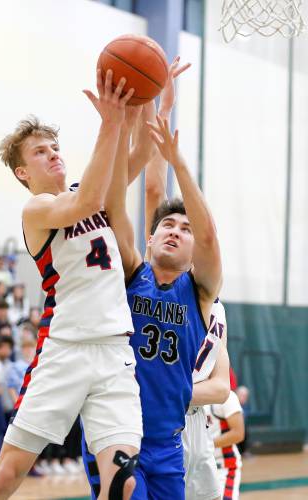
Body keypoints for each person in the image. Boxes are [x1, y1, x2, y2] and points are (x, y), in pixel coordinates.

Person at [0, 69, 142, 500]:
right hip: (65, 347)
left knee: (121, 484)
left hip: (114, 351)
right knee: (6, 478)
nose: (53, 155)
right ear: (21, 173)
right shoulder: (38, 208)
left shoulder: (91, 191)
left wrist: (142, 101)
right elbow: (85, 202)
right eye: (39, 152)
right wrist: (111, 122)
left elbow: (129, 163)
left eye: (55, 147)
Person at [83, 58, 222, 499]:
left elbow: (208, 233)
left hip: (166, 443)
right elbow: (119, 201)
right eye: (167, 225)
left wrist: (176, 159)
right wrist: (126, 119)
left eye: (184, 229)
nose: (176, 231)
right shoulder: (130, 271)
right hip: (117, 433)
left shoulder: (200, 292)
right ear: (150, 237)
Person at [183, 299, 230, 500]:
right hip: (165, 420)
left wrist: (165, 393)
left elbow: (221, 389)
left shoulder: (218, 308)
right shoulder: (165, 291)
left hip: (198, 421)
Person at [206, 391, 244, 500]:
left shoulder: (227, 396)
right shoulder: (186, 393)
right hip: (195, 467)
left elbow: (238, 434)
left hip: (223, 466)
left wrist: (204, 445)